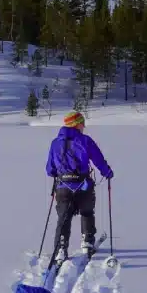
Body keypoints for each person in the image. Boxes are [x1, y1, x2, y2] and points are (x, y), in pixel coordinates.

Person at [45, 110, 113, 269]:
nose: (84, 127)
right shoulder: (85, 140)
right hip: (83, 186)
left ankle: (61, 248)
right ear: (76, 124)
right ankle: (87, 241)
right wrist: (107, 172)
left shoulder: (55, 143)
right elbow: (98, 160)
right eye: (82, 123)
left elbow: (49, 169)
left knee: (64, 217)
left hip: (63, 187)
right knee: (87, 212)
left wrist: (59, 172)